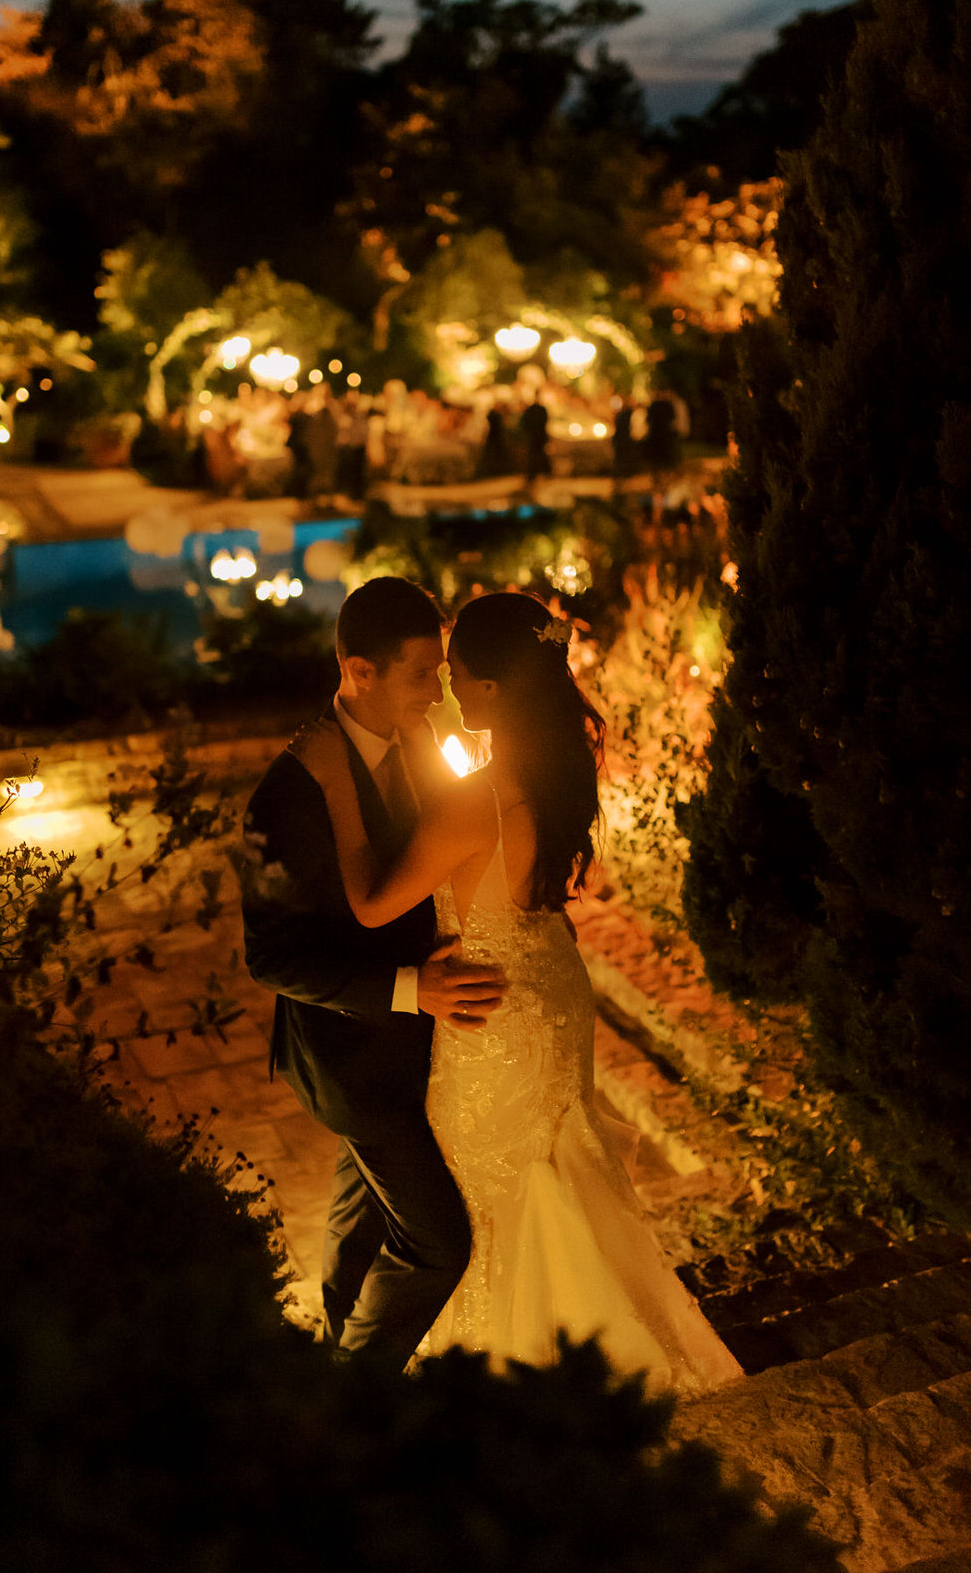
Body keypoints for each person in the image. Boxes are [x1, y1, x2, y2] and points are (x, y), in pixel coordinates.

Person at [293, 590, 743, 1393]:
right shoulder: (555, 765)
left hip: (492, 1010)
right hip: (551, 987)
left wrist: (333, 789)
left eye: (455, 674)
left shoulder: (478, 799)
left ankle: (515, 1375)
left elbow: (371, 903)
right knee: (553, 1172)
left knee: (491, 1198)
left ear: (492, 690)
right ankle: (597, 1346)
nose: (444, 689)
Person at [240, 577, 506, 1374]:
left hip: (414, 1049)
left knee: (363, 1218)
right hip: (350, 1059)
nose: (439, 694)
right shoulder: (285, 798)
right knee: (434, 1242)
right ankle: (351, 1407)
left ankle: (331, 1351)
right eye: (423, 675)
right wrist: (408, 989)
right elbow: (273, 958)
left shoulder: (420, 744)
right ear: (360, 671)